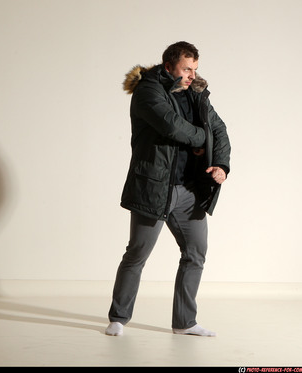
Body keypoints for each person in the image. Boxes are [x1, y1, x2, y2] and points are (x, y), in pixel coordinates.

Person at [105, 41, 231, 337]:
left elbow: (220, 128)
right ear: (169, 66)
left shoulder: (197, 93)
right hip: (155, 188)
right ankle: (118, 318)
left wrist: (221, 165)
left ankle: (185, 322)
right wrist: (203, 140)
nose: (191, 75)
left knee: (196, 253)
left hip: (189, 191)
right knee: (137, 253)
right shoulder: (148, 91)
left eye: (195, 69)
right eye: (186, 69)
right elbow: (172, 127)